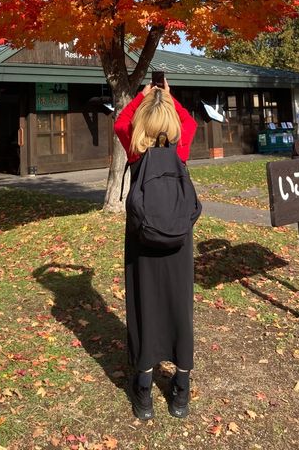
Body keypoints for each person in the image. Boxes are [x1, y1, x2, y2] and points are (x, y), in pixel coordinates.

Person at [114, 79, 198, 420]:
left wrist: (143, 96)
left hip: (142, 239)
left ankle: (145, 394)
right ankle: (181, 392)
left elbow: (121, 122)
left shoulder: (136, 152)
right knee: (180, 306)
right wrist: (169, 95)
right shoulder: (180, 149)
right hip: (178, 238)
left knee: (143, 306)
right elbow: (189, 122)